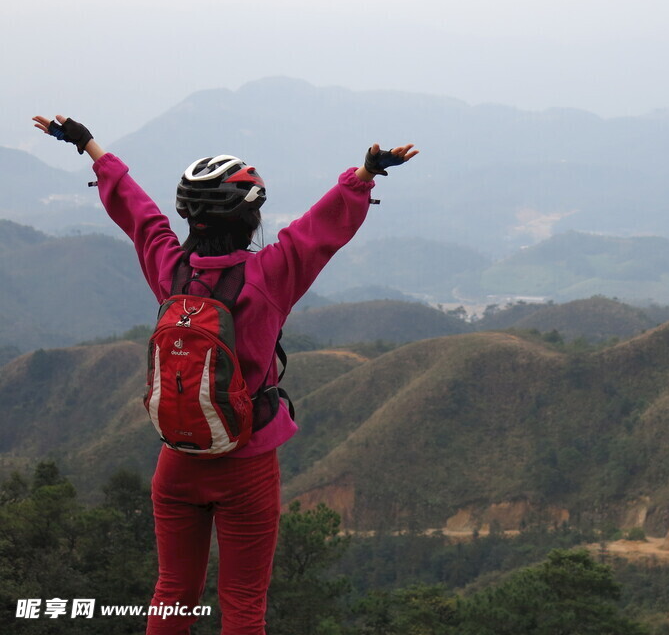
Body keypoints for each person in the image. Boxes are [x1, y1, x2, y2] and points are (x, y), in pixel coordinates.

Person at [32, 113, 417, 635]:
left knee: (172, 595)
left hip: (177, 459)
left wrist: (88, 144)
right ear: (249, 219)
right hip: (247, 464)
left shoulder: (170, 271)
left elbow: (139, 217)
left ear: (191, 218)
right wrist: (365, 174)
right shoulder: (269, 276)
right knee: (242, 605)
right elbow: (319, 232)